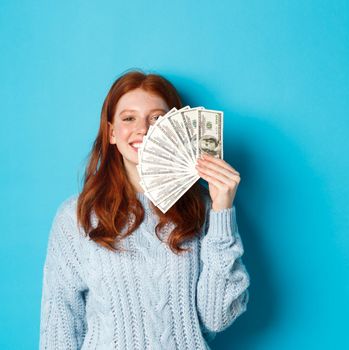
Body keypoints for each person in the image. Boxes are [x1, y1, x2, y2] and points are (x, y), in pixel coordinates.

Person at [39, 70, 250, 350]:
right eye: (129, 118)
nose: (144, 129)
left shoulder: (202, 206)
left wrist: (223, 210)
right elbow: (60, 321)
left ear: (178, 129)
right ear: (112, 132)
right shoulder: (76, 216)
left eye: (157, 119)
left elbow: (217, 317)